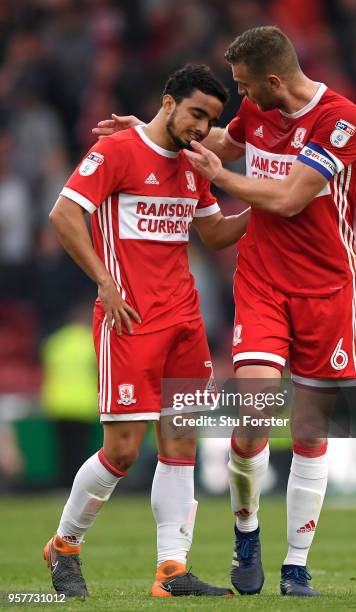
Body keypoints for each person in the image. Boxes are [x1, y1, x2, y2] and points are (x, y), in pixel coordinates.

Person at [96, 26, 356, 597]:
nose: (240, 96)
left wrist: (222, 180)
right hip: (264, 283)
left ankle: (296, 566)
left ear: (274, 80)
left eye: (245, 85)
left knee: (310, 430)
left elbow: (292, 198)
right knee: (251, 420)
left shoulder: (340, 121)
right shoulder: (258, 114)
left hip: (326, 290)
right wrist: (151, 137)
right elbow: (219, 141)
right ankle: (247, 530)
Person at [45, 64, 250, 599]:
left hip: (185, 321)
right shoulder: (117, 152)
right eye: (196, 113)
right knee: (123, 451)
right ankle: (64, 545)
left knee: (181, 443)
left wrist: (273, 206)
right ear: (168, 102)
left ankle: (171, 571)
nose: (203, 127)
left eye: (211, 119)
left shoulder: (193, 163)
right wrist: (105, 282)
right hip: (129, 320)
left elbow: (213, 232)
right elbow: (64, 214)